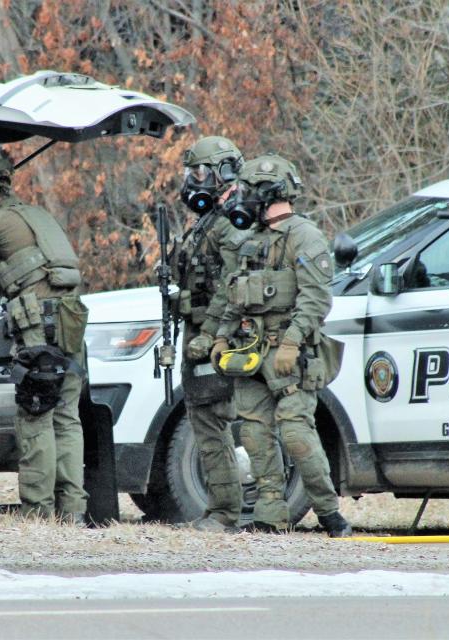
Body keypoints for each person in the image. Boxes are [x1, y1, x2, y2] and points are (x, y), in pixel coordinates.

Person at [213, 154, 351, 537]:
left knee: (295, 434)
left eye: (246, 190)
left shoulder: (304, 237)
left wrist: (292, 341)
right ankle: (270, 516)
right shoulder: (249, 240)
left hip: (292, 356)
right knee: (254, 436)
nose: (240, 197)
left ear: (266, 192)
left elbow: (317, 299)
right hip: (251, 355)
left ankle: (329, 513)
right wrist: (222, 336)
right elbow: (233, 296)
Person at [0, 154, 90, 523]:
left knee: (36, 416)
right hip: (68, 322)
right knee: (66, 418)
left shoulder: (0, 222)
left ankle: (38, 512)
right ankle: (72, 510)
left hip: (38, 327)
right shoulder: (37, 215)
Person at [173, 136, 248, 533]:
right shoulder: (209, 222)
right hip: (199, 335)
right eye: (192, 173)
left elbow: (234, 286)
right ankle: (219, 511)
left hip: (215, 340)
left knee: (212, 422)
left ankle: (225, 513)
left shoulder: (231, 225)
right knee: (203, 420)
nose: (193, 182)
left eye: (200, 173)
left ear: (223, 173)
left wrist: (210, 334)